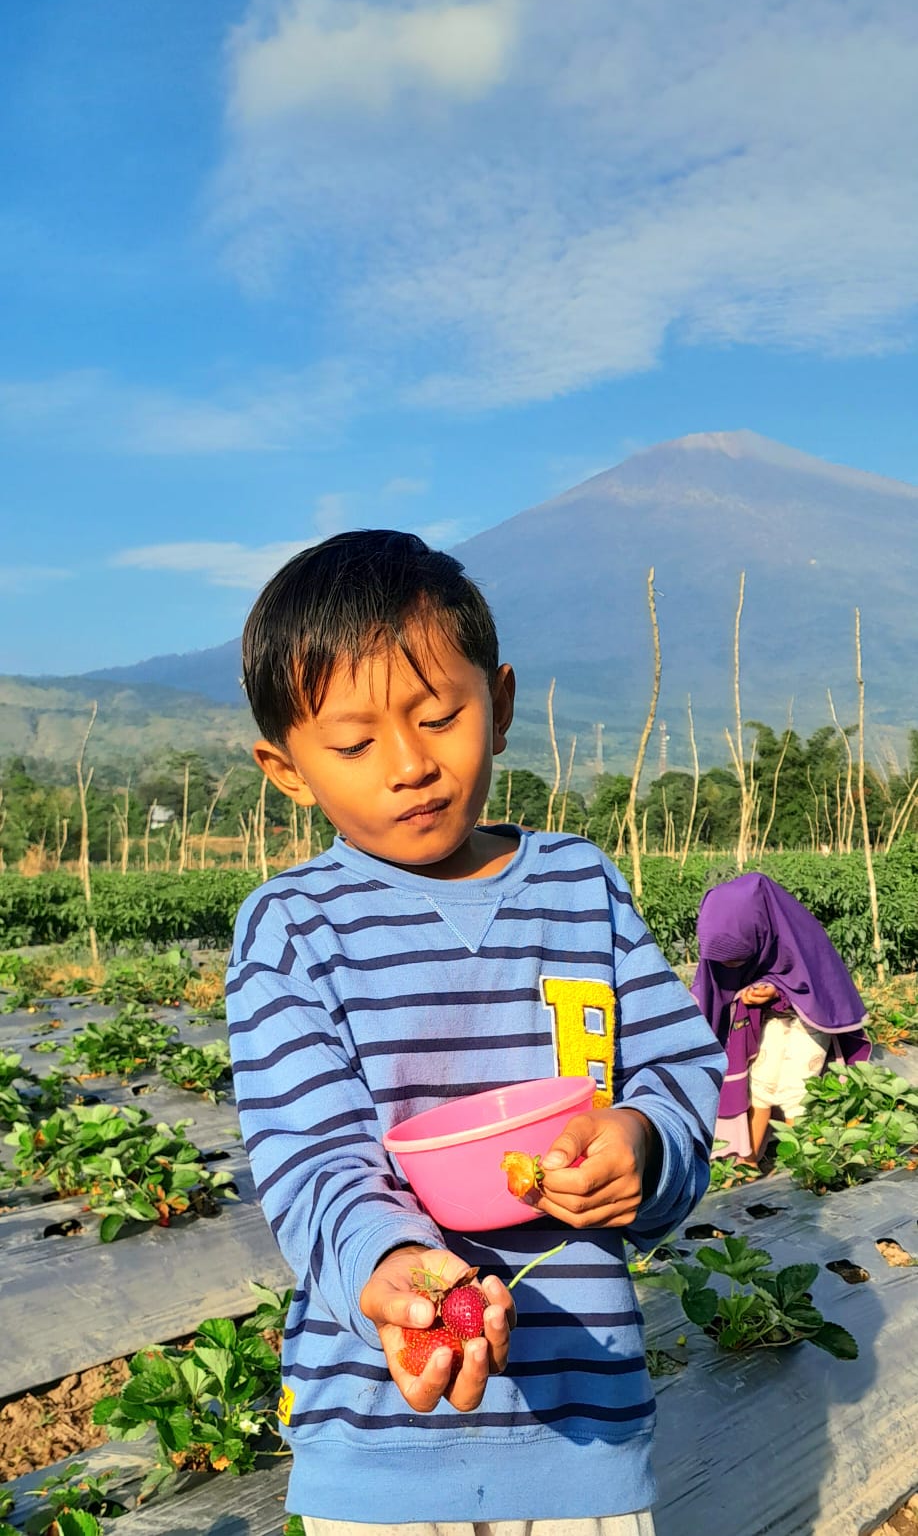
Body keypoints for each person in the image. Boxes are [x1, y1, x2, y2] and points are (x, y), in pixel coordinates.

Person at [225, 529, 726, 1536]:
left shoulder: (581, 888)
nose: (410, 765)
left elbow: (678, 1067)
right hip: (383, 1426)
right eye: (355, 745)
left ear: (498, 704)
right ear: (286, 769)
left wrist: (642, 1143)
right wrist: (394, 1272)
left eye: (439, 717)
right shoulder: (294, 928)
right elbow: (311, 1156)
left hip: (583, 1431)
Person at [691, 872, 871, 1163]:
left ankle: (804, 1163)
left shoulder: (799, 936)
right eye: (725, 962)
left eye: (738, 959)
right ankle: (747, 1161)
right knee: (760, 1085)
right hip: (769, 1017)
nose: (731, 967)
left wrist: (776, 989)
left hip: (810, 1015)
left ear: (759, 932)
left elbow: (815, 985)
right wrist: (747, 994)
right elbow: (711, 994)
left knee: (796, 1090)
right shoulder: (721, 938)